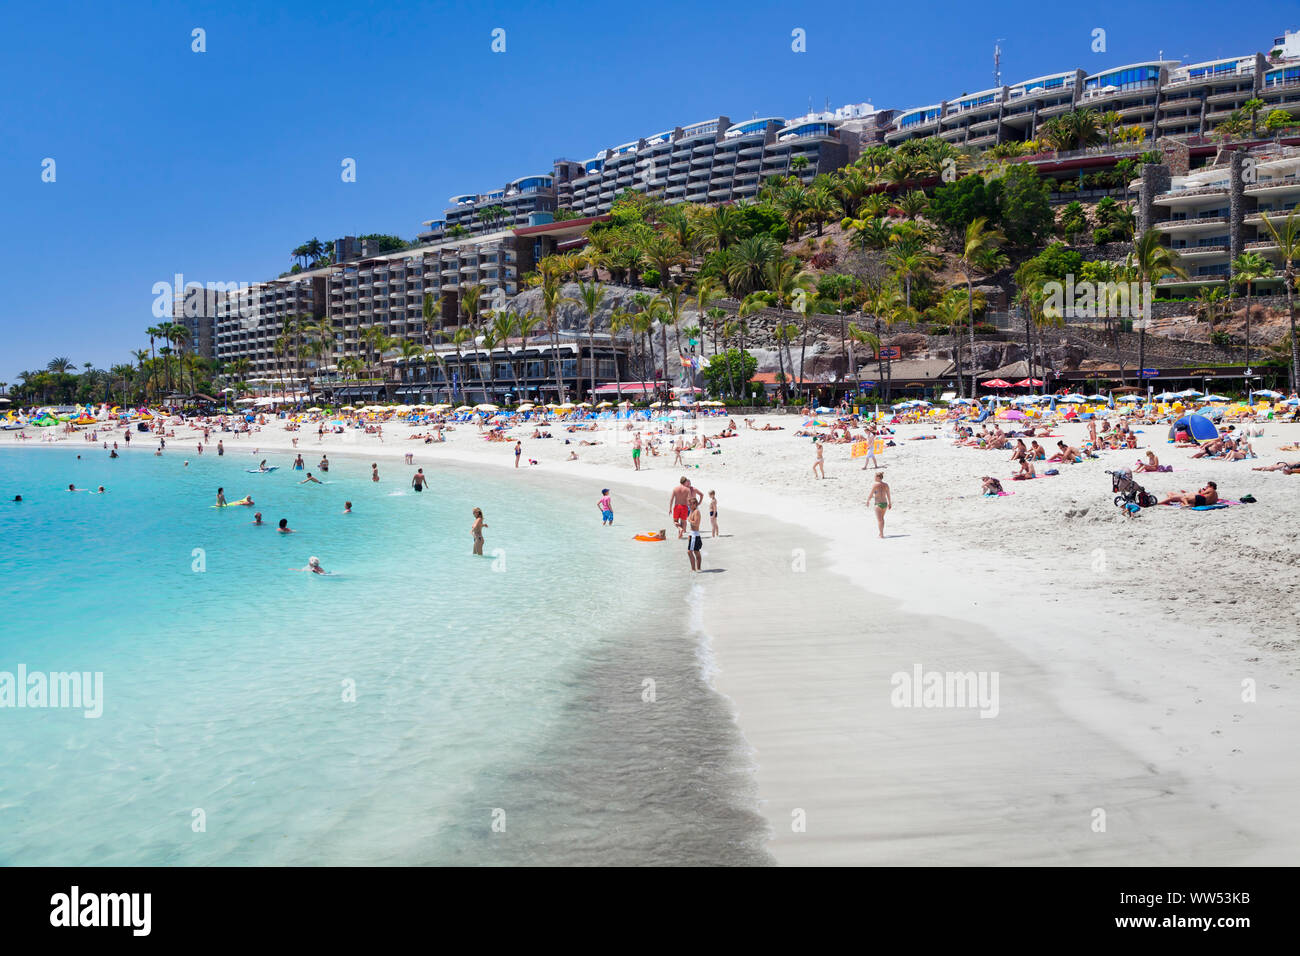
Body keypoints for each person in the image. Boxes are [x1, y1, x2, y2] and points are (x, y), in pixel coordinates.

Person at [866, 471, 891, 539]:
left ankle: (881, 534)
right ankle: (881, 533)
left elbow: (871, 494)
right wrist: (890, 503)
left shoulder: (875, 485)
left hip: (878, 504)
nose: (874, 478)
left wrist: (868, 501)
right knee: (882, 519)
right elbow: (888, 494)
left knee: (880, 520)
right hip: (885, 504)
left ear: (878, 477)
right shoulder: (886, 485)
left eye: (875, 477)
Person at [685, 500, 703, 572]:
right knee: (696, 552)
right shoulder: (692, 511)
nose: (689, 506)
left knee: (690, 552)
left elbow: (696, 523)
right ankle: (698, 569)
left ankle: (693, 569)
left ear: (695, 504)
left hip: (695, 535)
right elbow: (690, 521)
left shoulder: (696, 512)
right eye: (688, 504)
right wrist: (689, 534)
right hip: (693, 534)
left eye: (690, 504)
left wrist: (689, 520)